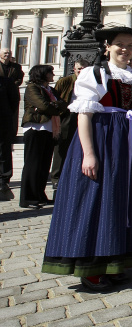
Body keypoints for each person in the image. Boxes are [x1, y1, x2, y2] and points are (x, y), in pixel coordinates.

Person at [42, 27, 132, 291]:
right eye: (119, 44)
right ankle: (90, 267)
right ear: (107, 47)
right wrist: (89, 153)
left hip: (129, 142)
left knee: (122, 200)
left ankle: (115, 262)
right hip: (102, 139)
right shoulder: (96, 74)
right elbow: (84, 115)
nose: (125, 50)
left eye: (130, 45)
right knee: (96, 198)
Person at [19, 65, 67, 208]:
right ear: (42, 74)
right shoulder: (32, 88)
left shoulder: (50, 90)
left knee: (44, 165)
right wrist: (54, 106)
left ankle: (40, 195)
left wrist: (54, 105)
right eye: (50, 73)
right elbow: (43, 105)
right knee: (33, 164)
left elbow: (63, 105)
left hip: (49, 129)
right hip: (36, 128)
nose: (53, 75)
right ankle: (28, 198)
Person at [51, 57, 88, 199]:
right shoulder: (65, 81)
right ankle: (56, 178)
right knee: (62, 146)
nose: (81, 71)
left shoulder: (89, 81)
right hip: (68, 116)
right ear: (74, 69)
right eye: (79, 69)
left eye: (83, 69)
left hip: (84, 115)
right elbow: (55, 97)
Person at [0, 47, 23, 200]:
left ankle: (4, 179)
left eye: (8, 53)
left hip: (3, 119)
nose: (7, 55)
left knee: (3, 149)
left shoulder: (9, 79)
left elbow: (15, 101)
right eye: (4, 53)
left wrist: (7, 112)